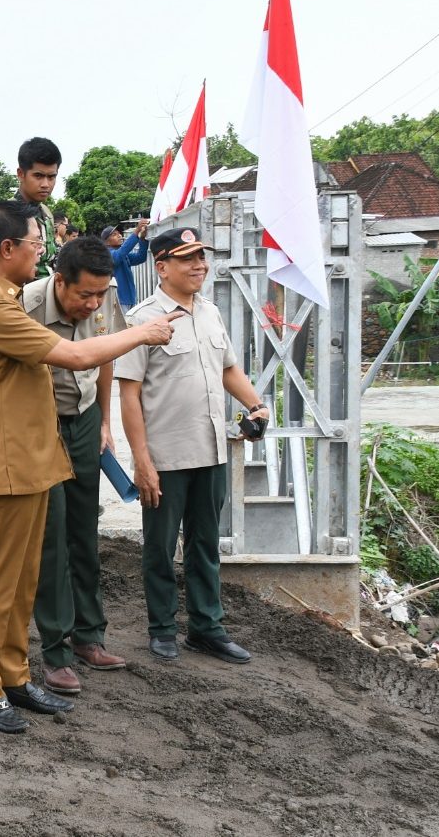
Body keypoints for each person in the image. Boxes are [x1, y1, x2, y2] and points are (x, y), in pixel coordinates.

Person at [0, 199, 182, 734]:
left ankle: (13, 675)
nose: (42, 251)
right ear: (8, 248)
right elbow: (75, 356)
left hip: (30, 457)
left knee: (24, 576)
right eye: (36, 244)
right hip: (4, 462)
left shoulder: (3, 296)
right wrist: (144, 332)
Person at [115, 228, 271, 666]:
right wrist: (142, 461)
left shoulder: (210, 313)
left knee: (205, 545)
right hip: (166, 456)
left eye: (202, 257)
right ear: (162, 267)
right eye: (188, 258)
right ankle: (162, 629)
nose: (199, 265)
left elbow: (228, 369)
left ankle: (207, 629)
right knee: (160, 548)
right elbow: (129, 395)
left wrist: (256, 405)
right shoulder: (142, 320)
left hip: (210, 450)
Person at [22, 237, 130, 696]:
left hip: (84, 418)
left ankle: (90, 636)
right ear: (59, 281)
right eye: (85, 294)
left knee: (85, 531)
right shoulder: (25, 304)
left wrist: (104, 420)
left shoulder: (104, 299)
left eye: (101, 294)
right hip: (40, 424)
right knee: (52, 537)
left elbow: (104, 357)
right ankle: (56, 650)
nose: (93, 304)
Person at [16, 137, 61, 280]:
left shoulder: (46, 213)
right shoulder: (7, 215)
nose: (45, 184)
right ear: (21, 174)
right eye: (38, 176)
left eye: (51, 177)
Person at [105, 219, 151, 312]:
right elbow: (121, 253)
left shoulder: (123, 255)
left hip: (130, 299)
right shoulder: (107, 255)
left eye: (119, 233)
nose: (119, 235)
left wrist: (142, 239)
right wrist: (137, 231)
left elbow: (140, 257)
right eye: (114, 234)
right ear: (106, 242)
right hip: (119, 300)